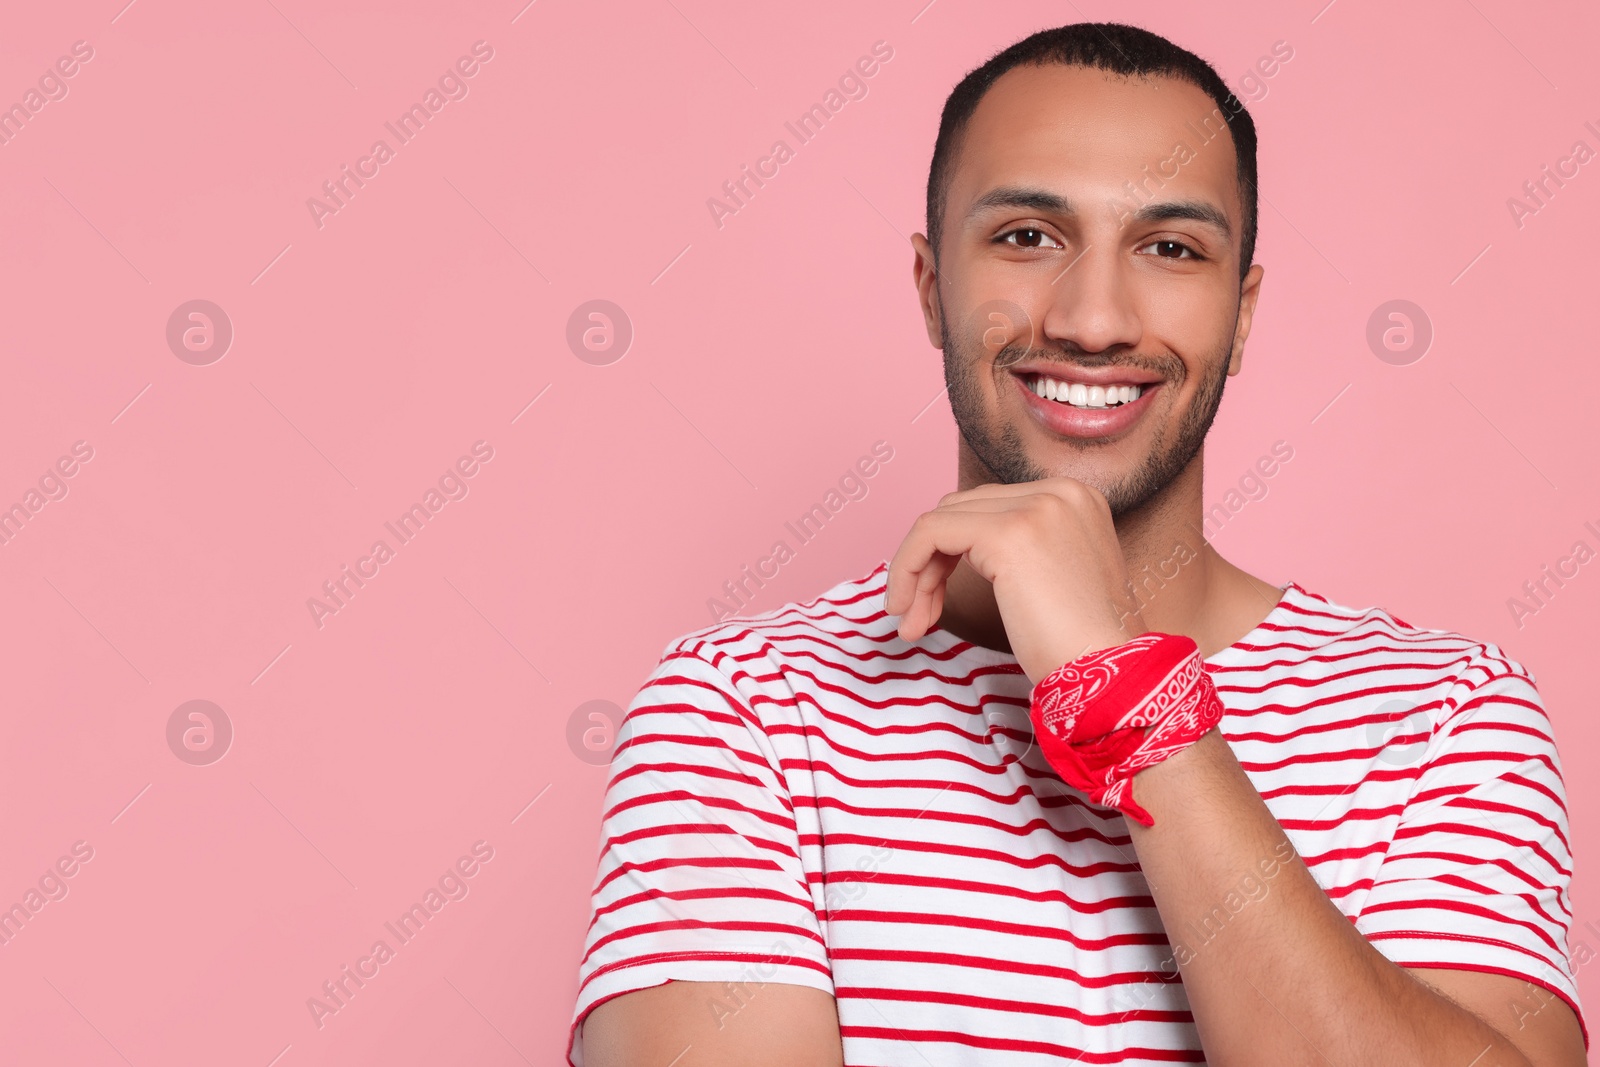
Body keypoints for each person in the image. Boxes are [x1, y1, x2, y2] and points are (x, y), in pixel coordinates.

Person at [567, 21, 1588, 1066]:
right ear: (931, 286)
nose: (1093, 319)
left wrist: (1127, 694)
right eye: (1026, 236)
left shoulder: (1442, 716)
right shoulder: (742, 709)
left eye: (1170, 248)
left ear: (1239, 316)